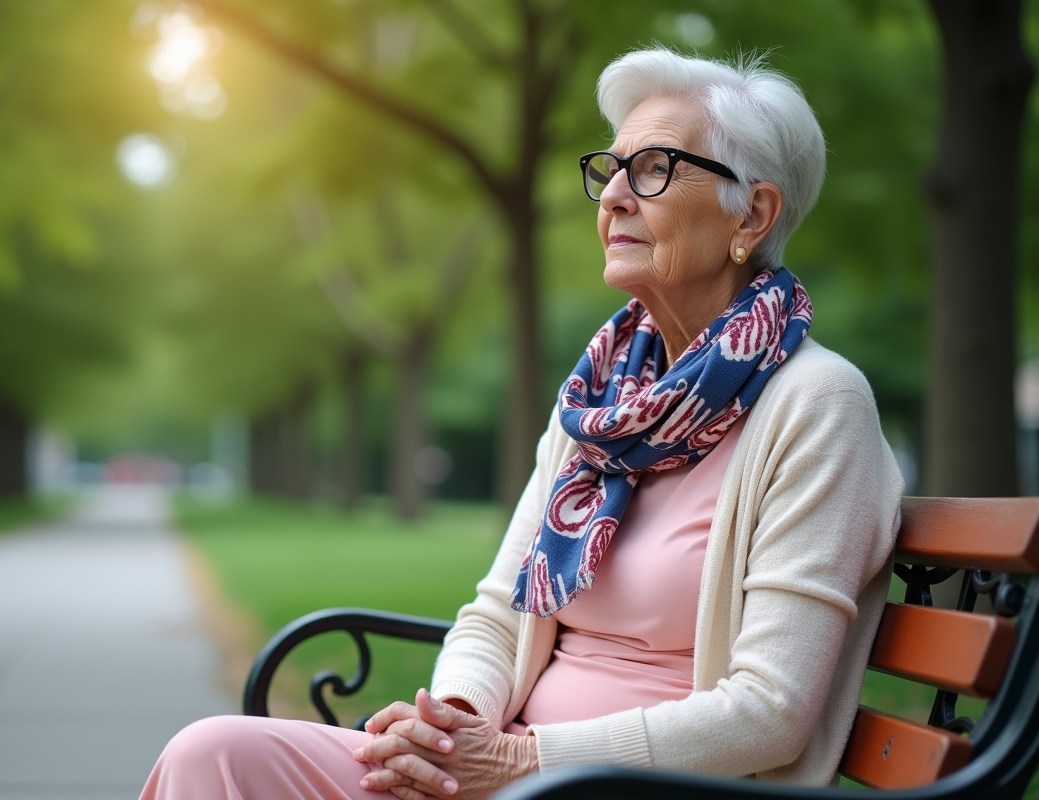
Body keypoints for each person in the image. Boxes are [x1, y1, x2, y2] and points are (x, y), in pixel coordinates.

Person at [138, 47, 903, 800]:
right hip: (505, 774)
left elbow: (768, 716)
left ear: (753, 213)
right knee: (214, 755)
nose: (613, 199)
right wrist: (456, 727)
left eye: (653, 170)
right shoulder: (601, 402)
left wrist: (523, 762)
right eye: (609, 172)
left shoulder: (816, 405)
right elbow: (500, 610)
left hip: (627, 787)